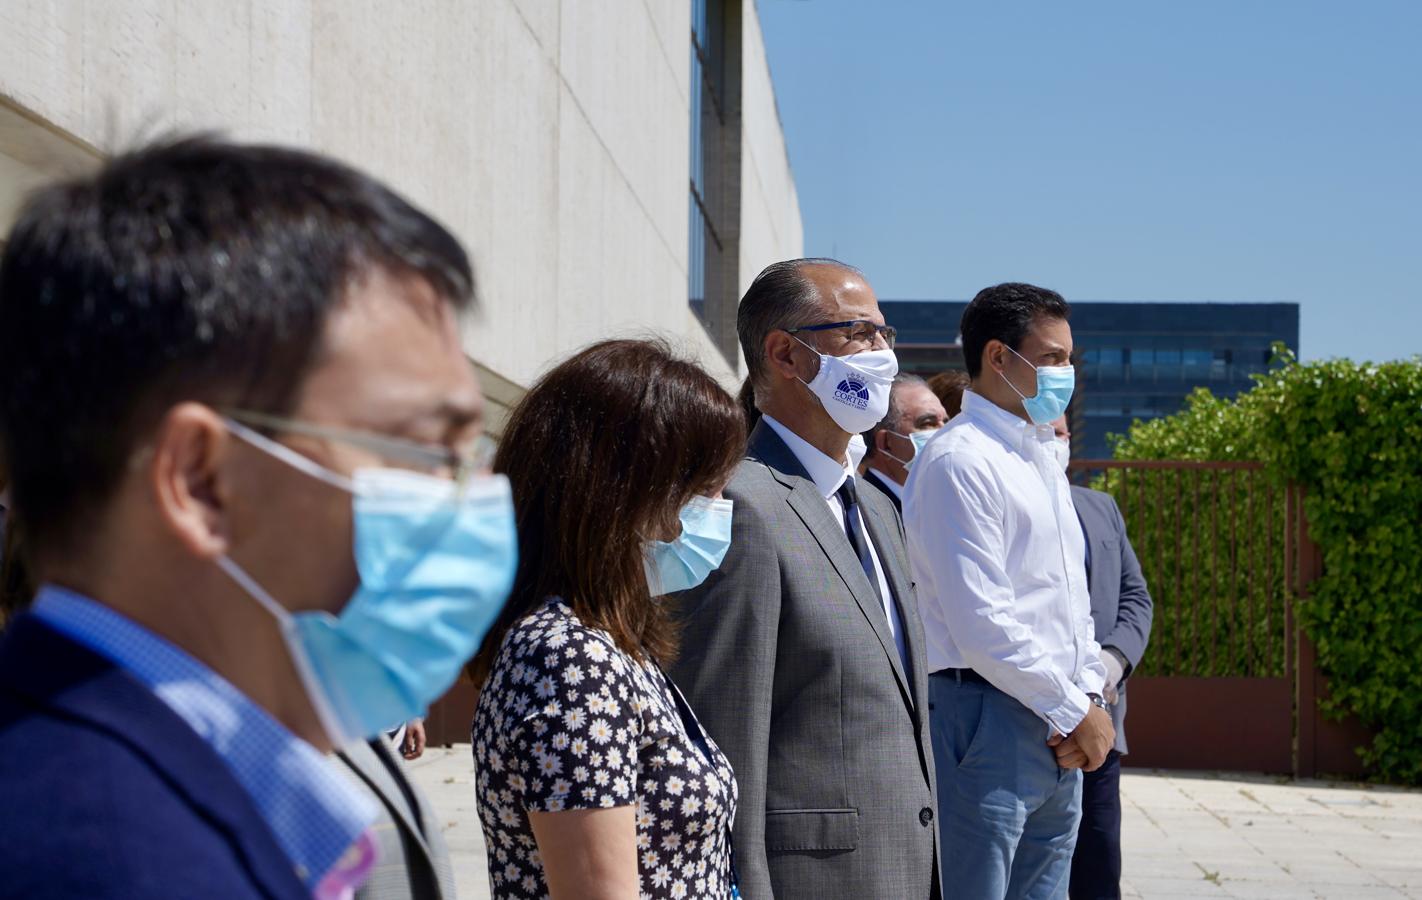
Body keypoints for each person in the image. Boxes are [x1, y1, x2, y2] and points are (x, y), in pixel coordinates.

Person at [0, 136, 518, 899]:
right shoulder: (113, 864)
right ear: (204, 481)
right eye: (426, 452)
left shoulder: (128, 784)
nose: (466, 499)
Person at [672, 259, 940, 900]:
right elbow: (721, 735)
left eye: (886, 335)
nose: (883, 355)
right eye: (860, 334)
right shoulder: (738, 505)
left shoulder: (877, 506)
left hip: (903, 869)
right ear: (785, 354)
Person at [468, 339, 745, 900]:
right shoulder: (568, 659)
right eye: (705, 488)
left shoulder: (610, 642)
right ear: (624, 491)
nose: (719, 507)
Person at [904, 282, 1115, 900]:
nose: (1065, 372)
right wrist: (1076, 712)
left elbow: (1070, 603)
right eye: (1051, 358)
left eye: (1069, 357)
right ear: (998, 357)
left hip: (1058, 721)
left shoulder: (1040, 457)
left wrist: (1088, 697)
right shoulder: (959, 461)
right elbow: (983, 622)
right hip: (985, 717)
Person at [1051, 419, 1153, 900]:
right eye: (1044, 430)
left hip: (1102, 727)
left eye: (1063, 432)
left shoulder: (1101, 507)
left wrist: (1109, 668)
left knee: (1098, 869)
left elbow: (1136, 599)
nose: (1056, 440)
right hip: (1034, 728)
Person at [861, 374, 949, 511]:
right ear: (886, 444)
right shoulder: (866, 509)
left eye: (946, 422)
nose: (946, 433)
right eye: (928, 423)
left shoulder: (937, 504)